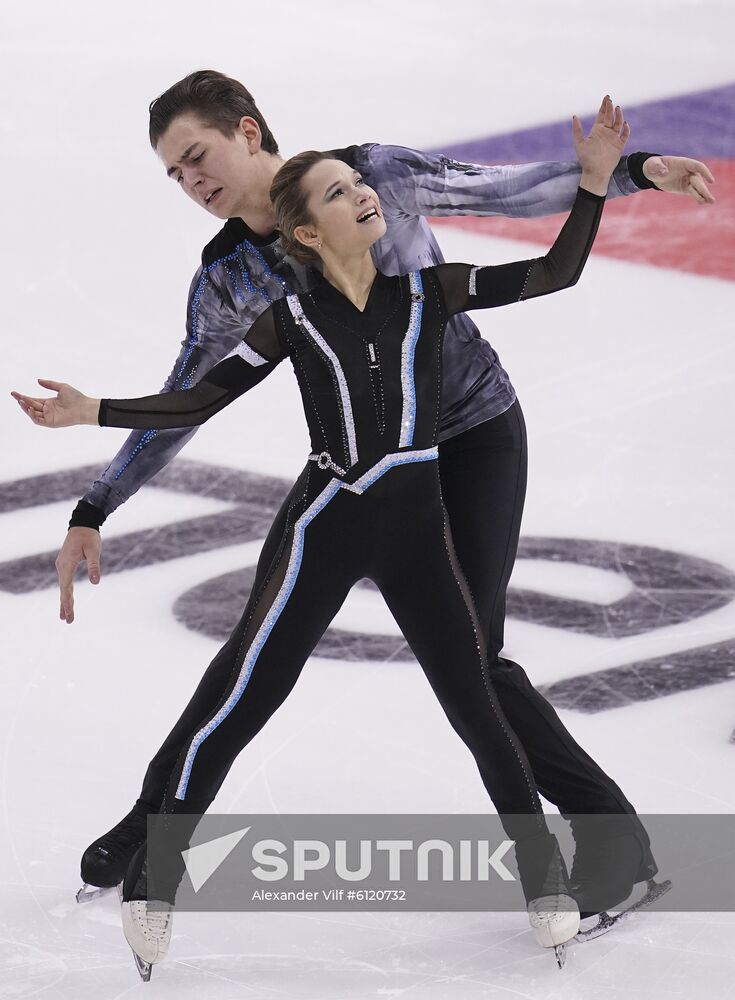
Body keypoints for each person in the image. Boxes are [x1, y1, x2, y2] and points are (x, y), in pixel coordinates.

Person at [48, 72, 714, 918]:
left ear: (247, 132)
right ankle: (155, 821)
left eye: (197, 157)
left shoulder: (371, 180)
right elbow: (186, 395)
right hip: (354, 467)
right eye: (175, 175)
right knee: (253, 650)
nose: (192, 182)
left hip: (469, 439)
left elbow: (508, 192)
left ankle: (615, 847)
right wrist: (94, 506)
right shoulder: (228, 278)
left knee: (474, 664)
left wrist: (634, 170)